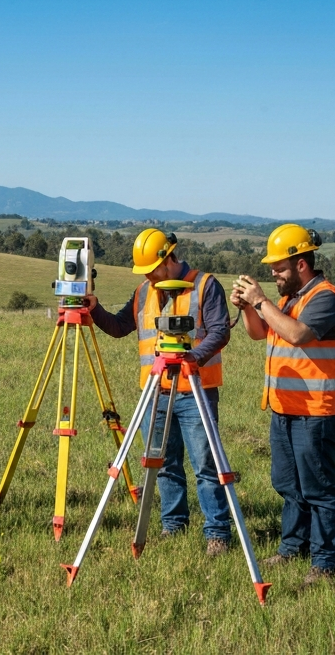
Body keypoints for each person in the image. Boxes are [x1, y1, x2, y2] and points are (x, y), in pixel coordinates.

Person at [82, 228, 235, 555]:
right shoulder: (143, 291)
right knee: (163, 463)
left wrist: (191, 357)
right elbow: (120, 326)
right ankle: (173, 524)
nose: (148, 276)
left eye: (151, 269)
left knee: (206, 465)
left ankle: (217, 532)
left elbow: (221, 332)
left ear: (168, 260)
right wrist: (94, 309)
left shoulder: (205, 285)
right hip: (155, 394)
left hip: (196, 391)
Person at [229, 224, 335, 586]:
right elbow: (259, 332)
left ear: (301, 264)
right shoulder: (288, 300)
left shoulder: (327, 299)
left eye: (279, 267)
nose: (273, 273)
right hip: (284, 408)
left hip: (318, 410)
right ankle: (293, 546)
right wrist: (251, 308)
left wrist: (260, 301)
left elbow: (297, 335)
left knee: (318, 487)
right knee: (287, 483)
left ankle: (327, 562)